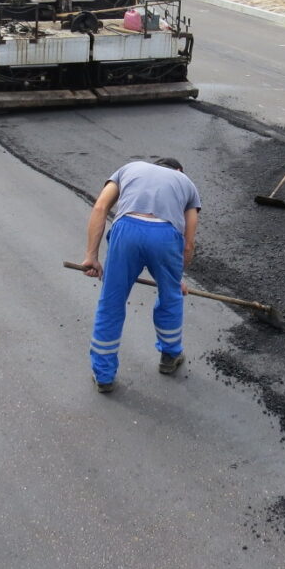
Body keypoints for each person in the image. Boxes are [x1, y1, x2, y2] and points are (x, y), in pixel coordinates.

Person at [81, 157, 202, 394]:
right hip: (166, 235)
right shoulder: (186, 182)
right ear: (178, 170)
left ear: (154, 164)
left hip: (127, 229)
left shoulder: (130, 167)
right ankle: (170, 356)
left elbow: (100, 207)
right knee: (171, 298)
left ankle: (103, 375)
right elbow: (189, 244)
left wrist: (91, 256)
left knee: (111, 303)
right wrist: (176, 279)